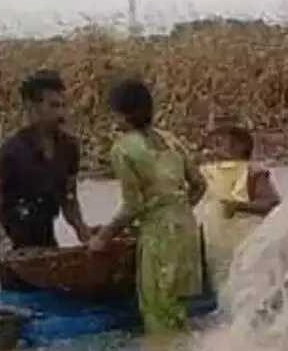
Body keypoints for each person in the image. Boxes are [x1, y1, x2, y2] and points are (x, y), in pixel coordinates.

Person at [88, 78, 206, 334]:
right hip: (186, 229)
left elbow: (132, 207)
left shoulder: (123, 149)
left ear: (120, 114)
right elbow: (200, 185)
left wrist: (103, 237)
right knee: (178, 310)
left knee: (158, 313)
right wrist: (177, 210)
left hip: (159, 237)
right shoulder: (171, 140)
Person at [0, 70, 95, 291]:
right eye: (53, 106)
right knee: (19, 297)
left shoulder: (69, 148)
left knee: (51, 289)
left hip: (44, 232)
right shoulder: (11, 152)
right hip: (14, 239)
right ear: (32, 108)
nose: (61, 113)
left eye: (63, 105)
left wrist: (82, 229)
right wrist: (1, 236)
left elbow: (68, 197)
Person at [195, 124, 282, 293]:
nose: (216, 150)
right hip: (215, 245)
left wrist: (240, 207)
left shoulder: (253, 173)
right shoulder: (209, 173)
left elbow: (272, 203)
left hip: (243, 244)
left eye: (222, 144)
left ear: (239, 147)